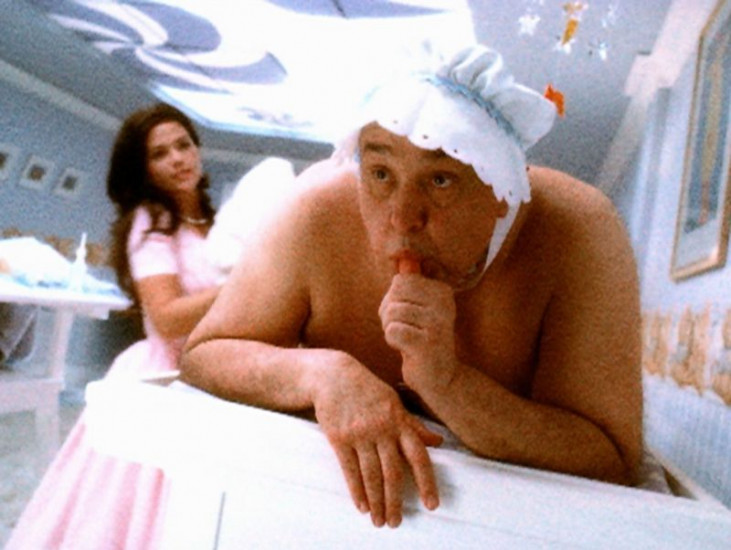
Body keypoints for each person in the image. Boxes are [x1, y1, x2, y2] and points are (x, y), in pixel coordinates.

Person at [180, 44, 643, 530]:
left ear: (502, 192)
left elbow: (612, 459)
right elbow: (203, 354)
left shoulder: (578, 229)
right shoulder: (316, 211)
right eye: (381, 174)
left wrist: (449, 384)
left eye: (440, 180)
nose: (402, 218)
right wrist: (323, 374)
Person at [7, 102, 221, 549]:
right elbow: (166, 318)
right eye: (159, 153)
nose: (177, 158)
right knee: (133, 507)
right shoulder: (151, 222)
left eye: (183, 145)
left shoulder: (218, 223)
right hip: (163, 376)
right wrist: (245, 288)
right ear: (143, 169)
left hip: (213, 375)